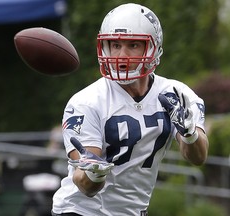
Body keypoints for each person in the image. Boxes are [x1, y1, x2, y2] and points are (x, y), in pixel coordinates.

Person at [52, 3, 209, 216]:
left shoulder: (176, 94)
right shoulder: (86, 102)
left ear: (153, 48)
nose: (121, 55)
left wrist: (189, 134)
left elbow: (198, 158)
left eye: (133, 45)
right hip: (81, 210)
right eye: (115, 45)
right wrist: (95, 173)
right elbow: (84, 185)